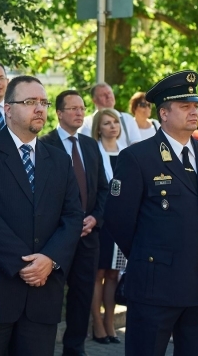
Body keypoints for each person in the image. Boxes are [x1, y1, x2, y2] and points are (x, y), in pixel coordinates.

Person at [0, 75, 83, 356]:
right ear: (8, 109)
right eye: (30, 102)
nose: (39, 108)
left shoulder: (59, 160)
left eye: (43, 102)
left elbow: (73, 216)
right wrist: (24, 264)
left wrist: (50, 259)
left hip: (41, 298)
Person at [105, 70, 198, 356]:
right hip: (155, 286)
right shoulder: (138, 157)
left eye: (195, 106)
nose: (194, 112)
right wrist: (150, 257)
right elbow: (118, 221)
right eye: (185, 106)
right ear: (164, 113)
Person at [40, 90, 110, 355]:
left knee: (82, 296)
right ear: (59, 113)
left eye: (82, 108)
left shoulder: (90, 145)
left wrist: (95, 218)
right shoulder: (44, 144)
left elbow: (102, 189)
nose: (80, 113)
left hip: (88, 235)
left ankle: (75, 348)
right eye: (73, 108)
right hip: (56, 236)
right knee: (50, 296)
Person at [89, 108, 125, 344]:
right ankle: (97, 323)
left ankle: (110, 322)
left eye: (115, 122)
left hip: (120, 223)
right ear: (98, 128)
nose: (112, 126)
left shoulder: (127, 152)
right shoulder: (93, 151)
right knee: (98, 273)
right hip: (100, 222)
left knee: (113, 274)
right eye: (107, 123)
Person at [79, 83, 141, 148]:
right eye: (103, 95)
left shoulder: (127, 118)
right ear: (94, 100)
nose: (108, 96)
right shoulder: (87, 123)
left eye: (109, 93)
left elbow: (137, 145)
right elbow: (86, 147)